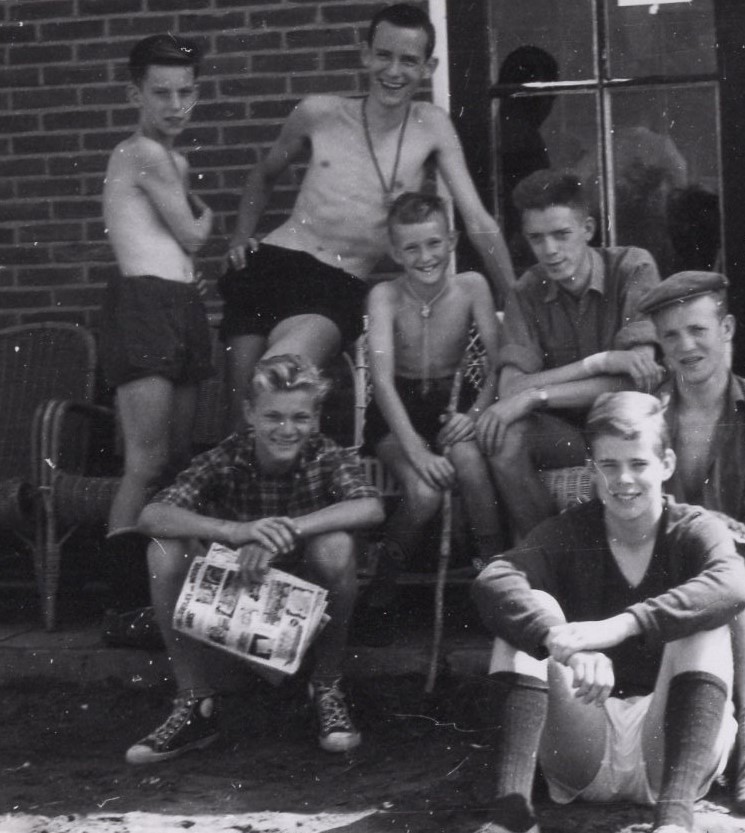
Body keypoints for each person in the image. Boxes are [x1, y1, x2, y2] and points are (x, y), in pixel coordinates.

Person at [433, 393, 745, 833]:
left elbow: (732, 587)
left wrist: (622, 625)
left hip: (668, 747)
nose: (624, 480)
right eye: (609, 465)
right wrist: (564, 642)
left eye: (638, 464)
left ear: (666, 464)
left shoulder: (694, 528)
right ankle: (512, 824)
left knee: (705, 622)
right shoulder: (568, 530)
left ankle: (673, 829)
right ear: (591, 470)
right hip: (586, 742)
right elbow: (494, 579)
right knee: (532, 613)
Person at [220, 3, 515, 429]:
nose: (393, 71)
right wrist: (239, 237)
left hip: (335, 283)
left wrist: (516, 299)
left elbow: (478, 220)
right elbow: (263, 174)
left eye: (408, 60)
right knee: (242, 421)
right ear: (365, 55)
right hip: (268, 266)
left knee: (277, 382)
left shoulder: (431, 126)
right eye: (383, 55)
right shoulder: (319, 113)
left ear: (428, 67)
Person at [124, 355, 384, 764]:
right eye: (273, 416)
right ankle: (195, 703)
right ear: (249, 413)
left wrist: (284, 531)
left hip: (306, 618)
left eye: (300, 417)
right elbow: (151, 515)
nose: (287, 430)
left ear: (316, 419)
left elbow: (370, 507)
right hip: (236, 611)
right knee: (163, 549)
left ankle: (327, 687)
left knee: (335, 545)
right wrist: (236, 531)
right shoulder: (229, 455)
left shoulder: (324, 454)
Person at [642, 271, 745, 814]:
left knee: (736, 554)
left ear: (726, 328)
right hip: (664, 562)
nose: (685, 346)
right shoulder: (647, 418)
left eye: (697, 329)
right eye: (671, 335)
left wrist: (708, 532)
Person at [478, 168, 663, 537]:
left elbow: (636, 381)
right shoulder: (526, 292)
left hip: (626, 425)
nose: (550, 250)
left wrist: (537, 395)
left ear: (588, 229)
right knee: (505, 438)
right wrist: (600, 363)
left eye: (561, 234)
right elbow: (511, 388)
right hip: (565, 435)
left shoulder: (632, 268)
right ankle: (547, 551)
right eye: (536, 238)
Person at [357, 192, 504, 627]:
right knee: (423, 493)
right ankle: (382, 586)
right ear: (394, 251)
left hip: (453, 404)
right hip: (397, 411)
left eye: (434, 243)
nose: (425, 257)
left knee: (469, 461)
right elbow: (381, 381)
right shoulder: (384, 296)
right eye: (412, 247)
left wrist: (474, 416)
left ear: (452, 240)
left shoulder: (472, 287)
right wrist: (417, 454)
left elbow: (499, 365)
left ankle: (497, 577)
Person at [100, 35, 214, 540]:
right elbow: (193, 234)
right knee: (146, 462)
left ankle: (164, 577)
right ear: (136, 95)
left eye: (185, 92)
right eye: (161, 92)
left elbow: (173, 246)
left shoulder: (175, 162)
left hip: (180, 303)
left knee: (178, 459)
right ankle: (120, 581)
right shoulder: (140, 152)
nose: (175, 105)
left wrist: (186, 273)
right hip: (144, 305)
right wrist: (208, 216)